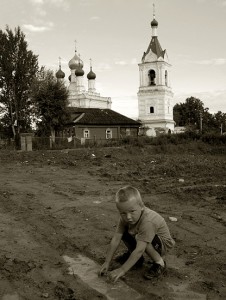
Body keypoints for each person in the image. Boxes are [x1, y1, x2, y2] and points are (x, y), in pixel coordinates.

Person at [99, 185, 175, 282]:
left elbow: (139, 250)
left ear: (141, 206)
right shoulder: (125, 218)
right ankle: (137, 260)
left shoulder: (148, 221)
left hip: (163, 244)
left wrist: (122, 270)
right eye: (123, 213)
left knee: (142, 239)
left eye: (132, 211)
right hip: (144, 238)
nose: (128, 217)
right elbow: (116, 238)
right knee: (125, 233)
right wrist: (107, 262)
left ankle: (160, 263)